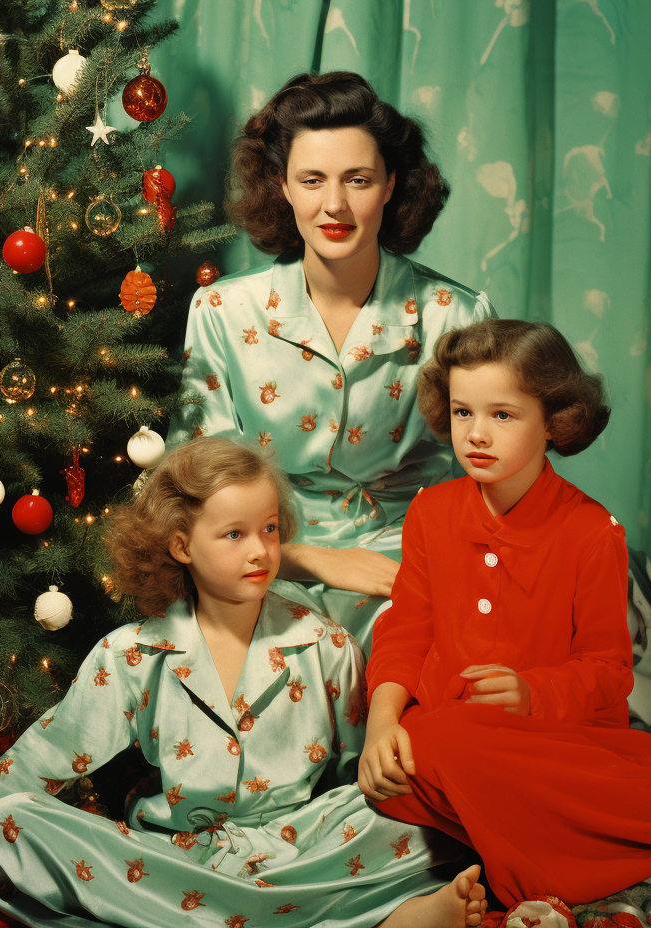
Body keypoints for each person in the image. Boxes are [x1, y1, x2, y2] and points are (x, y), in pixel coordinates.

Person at [0, 438, 488, 928]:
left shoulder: (325, 643)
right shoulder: (132, 654)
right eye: (234, 534)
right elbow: (40, 761)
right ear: (180, 545)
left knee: (431, 818)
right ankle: (353, 921)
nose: (260, 551)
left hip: (296, 846)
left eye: (271, 530)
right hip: (177, 861)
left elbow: (358, 773)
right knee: (6, 830)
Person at [357, 319, 651, 907]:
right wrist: (382, 725)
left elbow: (609, 670)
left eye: (502, 415)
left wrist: (532, 692)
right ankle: (629, 833)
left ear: (556, 420)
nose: (476, 433)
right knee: (414, 758)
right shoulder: (430, 511)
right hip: (443, 747)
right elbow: (406, 628)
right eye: (462, 413)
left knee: (455, 750)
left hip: (560, 747)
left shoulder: (591, 531)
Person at [172, 71, 496, 655]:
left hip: (416, 560)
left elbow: (492, 481)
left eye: (359, 179)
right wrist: (313, 561)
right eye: (312, 179)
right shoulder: (222, 310)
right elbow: (195, 485)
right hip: (262, 560)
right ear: (282, 186)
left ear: (392, 184)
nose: (335, 204)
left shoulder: (456, 314)